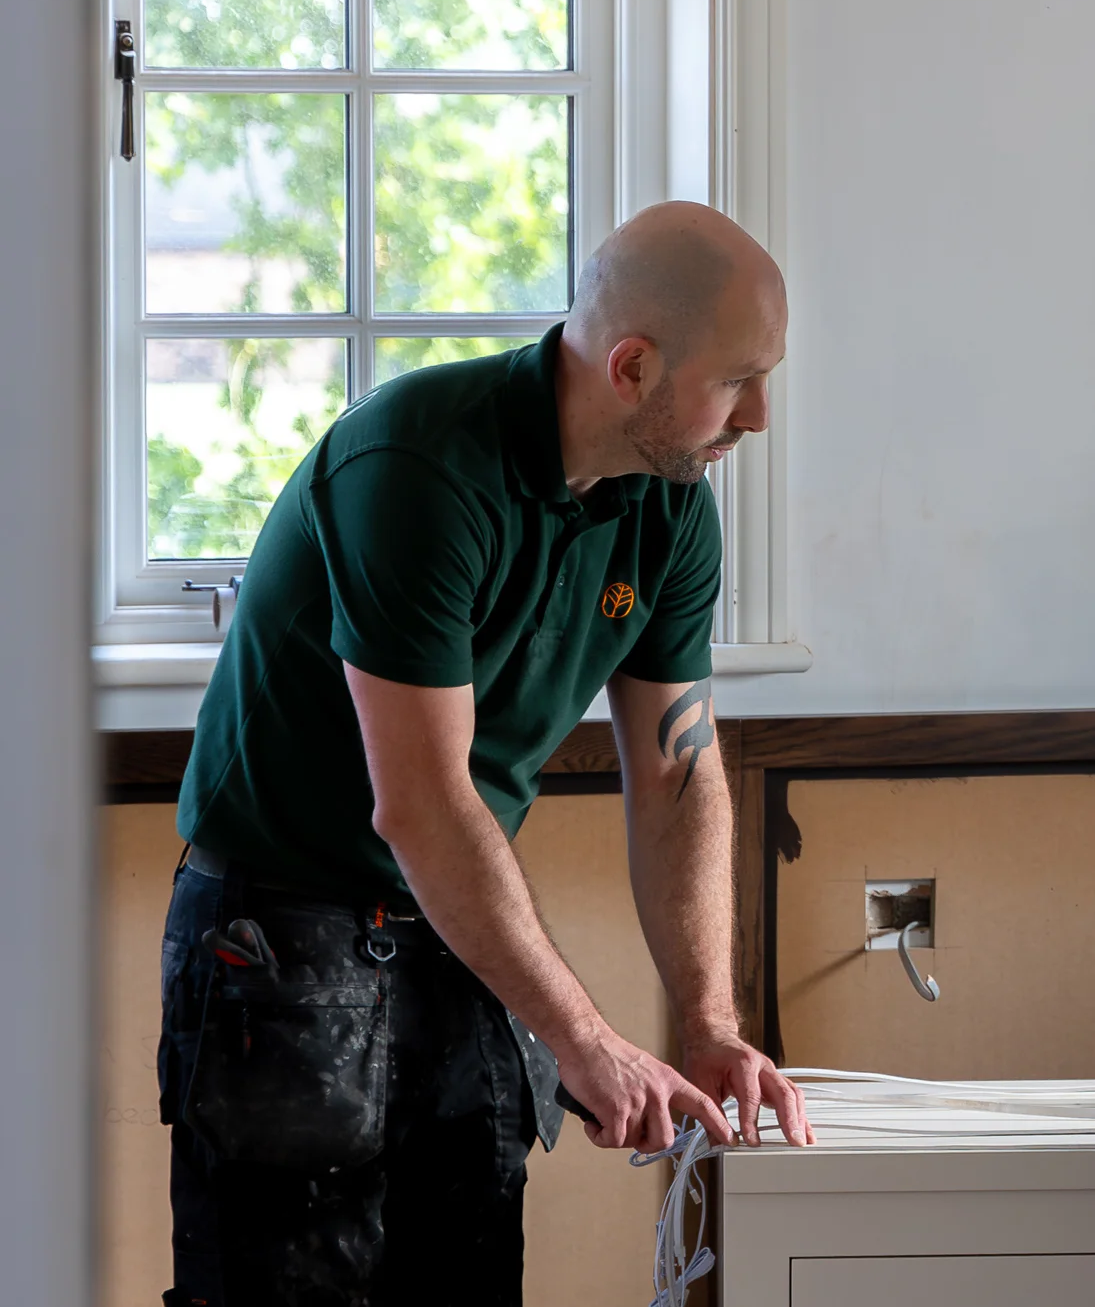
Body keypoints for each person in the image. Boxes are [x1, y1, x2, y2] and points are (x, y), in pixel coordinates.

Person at [159, 201, 814, 1306]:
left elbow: (676, 769)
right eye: (738, 379)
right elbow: (418, 802)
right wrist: (585, 1039)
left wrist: (706, 1022)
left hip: (452, 932)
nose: (756, 415)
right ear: (633, 365)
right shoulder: (418, 463)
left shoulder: (670, 504)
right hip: (279, 928)